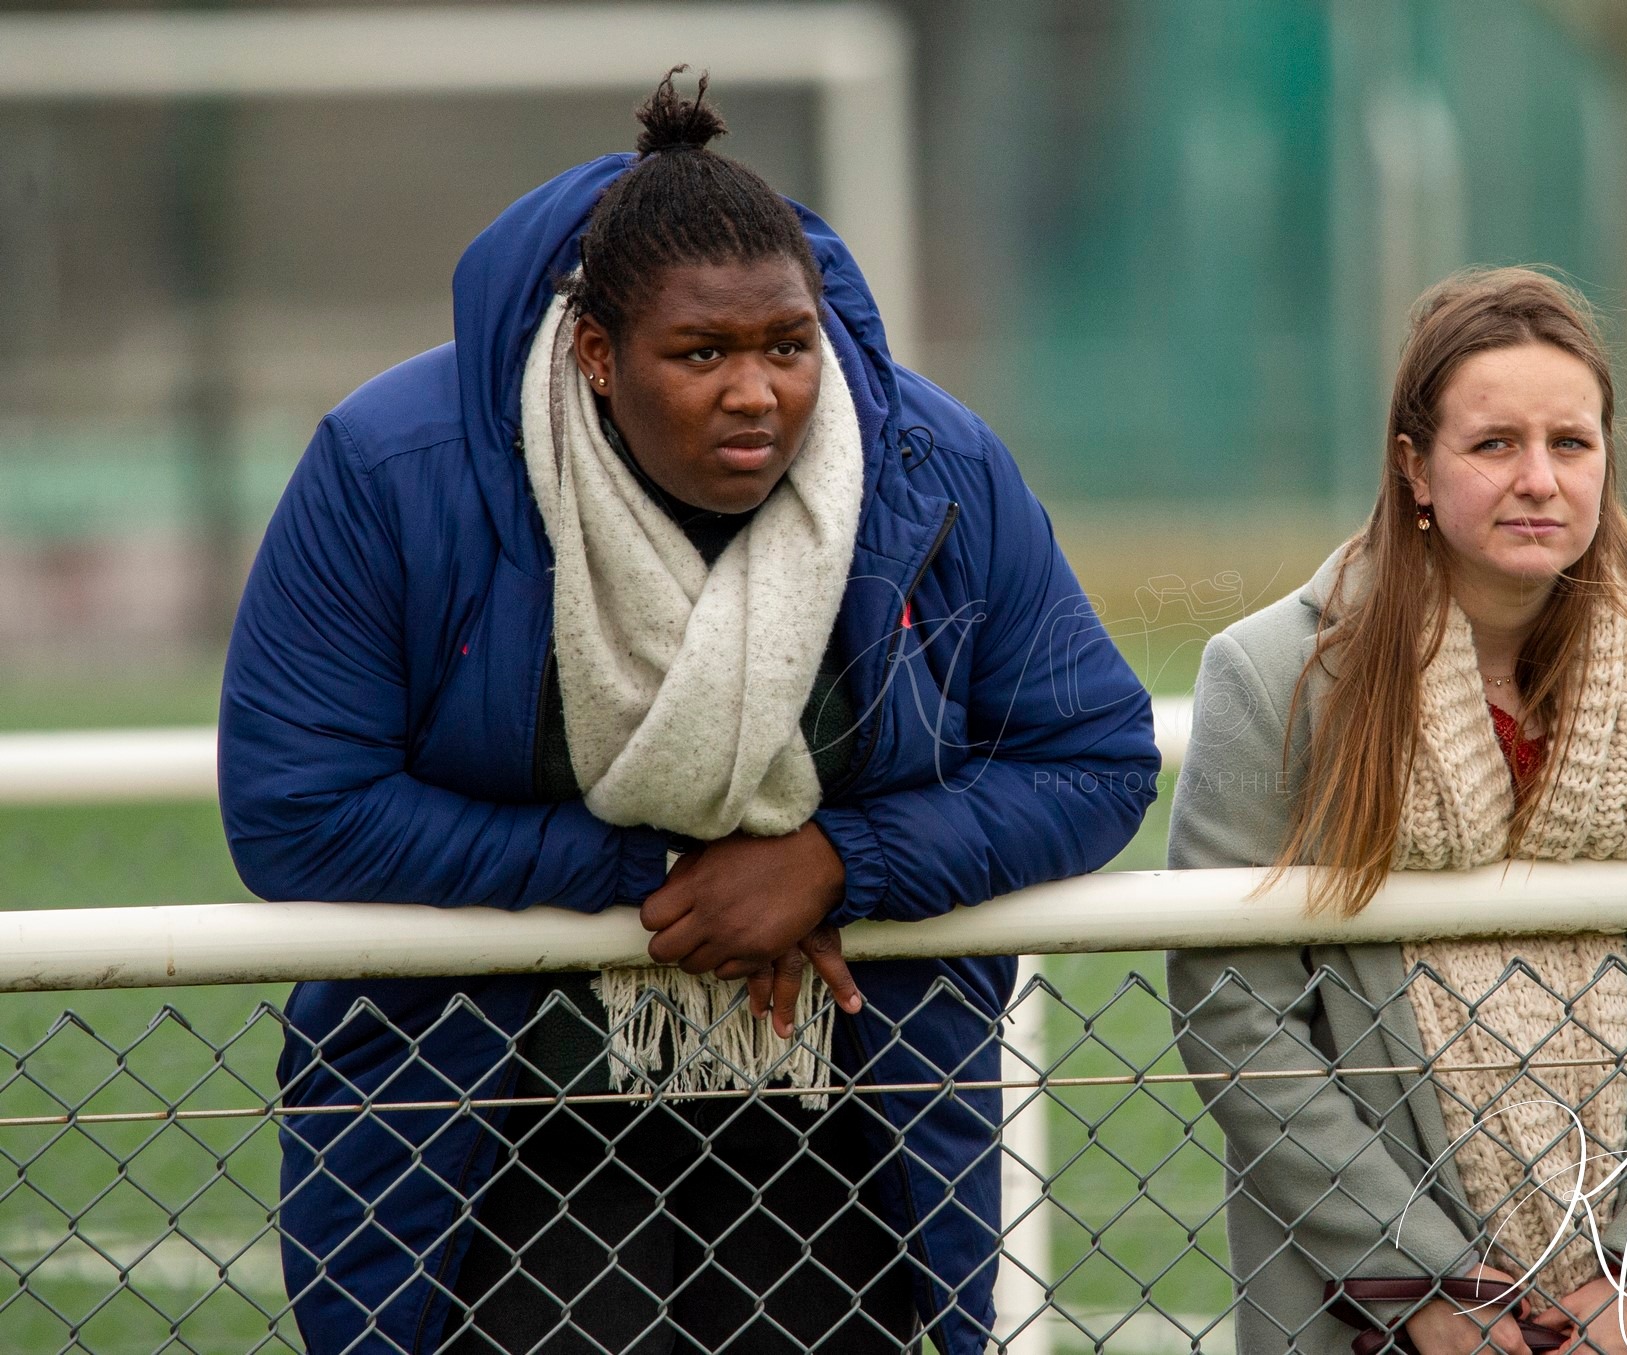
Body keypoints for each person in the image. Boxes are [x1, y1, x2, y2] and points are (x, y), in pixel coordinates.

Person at [219, 70, 1158, 1355]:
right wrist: (659, 881)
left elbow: (1092, 756)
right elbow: (295, 810)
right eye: (700, 353)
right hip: (490, 1134)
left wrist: (835, 865)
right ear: (597, 354)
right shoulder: (396, 467)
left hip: (847, 1134)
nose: (757, 391)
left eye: (785, 345)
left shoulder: (932, 467)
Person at [1166, 268, 1627, 1355]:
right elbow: (1233, 1010)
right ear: (1412, 464)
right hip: (1368, 1306)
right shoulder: (1271, 674)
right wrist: (1425, 1285)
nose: (1538, 479)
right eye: (1492, 444)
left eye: (1571, 442)